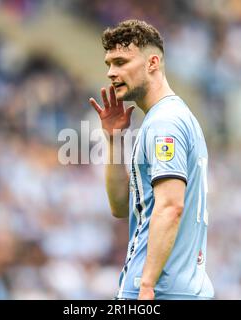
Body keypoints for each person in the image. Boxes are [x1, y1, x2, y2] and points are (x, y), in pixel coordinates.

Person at [89, 19, 214, 300]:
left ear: (152, 63)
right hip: (182, 288)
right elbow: (121, 207)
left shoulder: (165, 123)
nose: (111, 72)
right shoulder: (169, 118)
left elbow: (171, 206)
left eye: (121, 62)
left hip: (158, 290)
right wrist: (114, 140)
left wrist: (146, 285)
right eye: (109, 63)